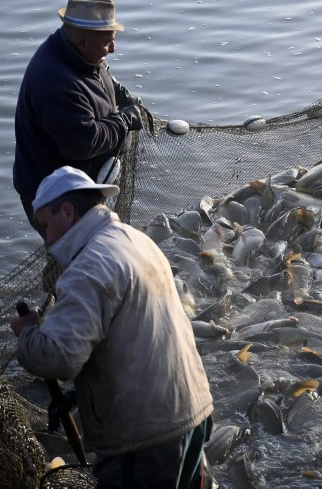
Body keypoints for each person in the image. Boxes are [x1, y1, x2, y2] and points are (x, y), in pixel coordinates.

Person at [10, 166, 214, 488]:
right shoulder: (136, 240)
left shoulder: (89, 266)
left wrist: (29, 333)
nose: (47, 238)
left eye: (47, 224)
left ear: (67, 210)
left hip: (146, 440)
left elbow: (59, 358)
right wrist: (82, 393)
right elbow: (133, 339)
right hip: (192, 414)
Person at [14, 0, 144, 235]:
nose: (113, 49)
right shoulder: (55, 82)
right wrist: (123, 121)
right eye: (108, 43)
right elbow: (85, 142)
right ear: (83, 43)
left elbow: (98, 70)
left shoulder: (76, 51)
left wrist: (118, 91)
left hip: (79, 185)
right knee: (74, 258)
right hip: (55, 199)